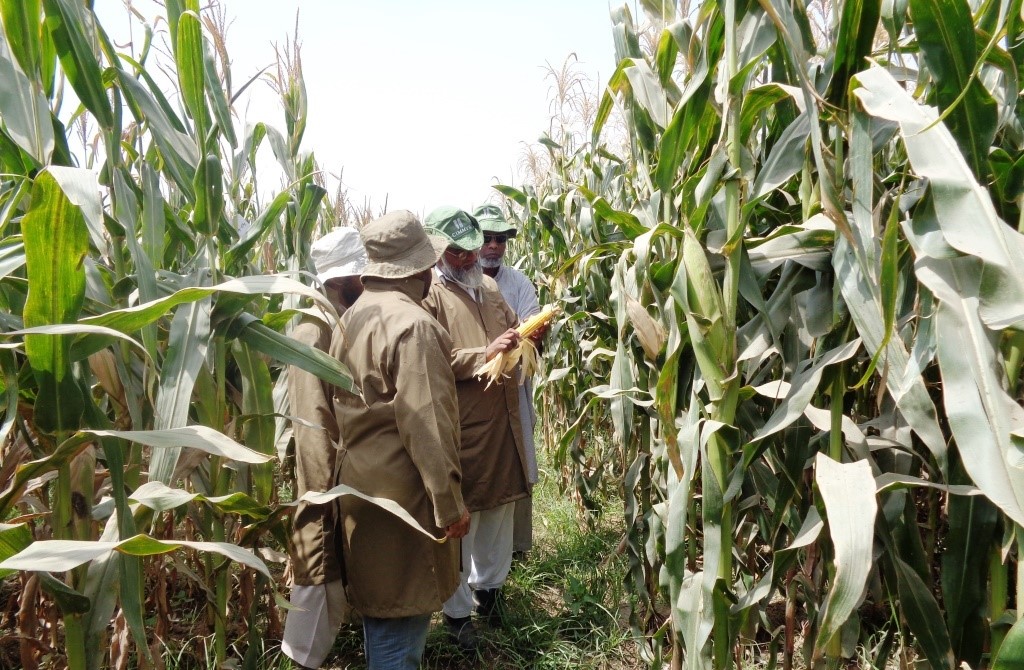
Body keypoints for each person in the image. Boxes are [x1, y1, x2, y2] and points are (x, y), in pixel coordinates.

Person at [329, 210, 471, 670]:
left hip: (359, 490)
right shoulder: (415, 326)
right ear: (420, 268)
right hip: (404, 502)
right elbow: (427, 425)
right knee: (398, 636)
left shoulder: (350, 318)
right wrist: (449, 505)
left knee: (382, 619)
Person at [421, 206, 531, 649]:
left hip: (504, 423)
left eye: (471, 250)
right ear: (438, 251)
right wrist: (484, 353)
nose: (469, 259)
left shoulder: (488, 288)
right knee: (462, 518)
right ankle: (458, 613)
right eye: (457, 252)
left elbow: (512, 332)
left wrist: (526, 338)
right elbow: (435, 360)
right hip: (465, 427)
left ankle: (491, 591)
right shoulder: (429, 297)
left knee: (500, 509)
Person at [283, 226, 367, 670]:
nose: (366, 283)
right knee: (318, 580)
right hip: (325, 491)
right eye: (361, 277)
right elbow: (313, 429)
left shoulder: (336, 322)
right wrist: (325, 497)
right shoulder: (312, 334)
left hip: (344, 482)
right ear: (339, 281)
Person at [472, 204, 545, 557]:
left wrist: (527, 338)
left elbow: (534, 331)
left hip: (514, 392)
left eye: (500, 239)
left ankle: (516, 549)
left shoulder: (518, 283)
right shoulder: (457, 283)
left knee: (519, 464)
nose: (494, 246)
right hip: (474, 396)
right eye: (487, 238)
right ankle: (476, 562)